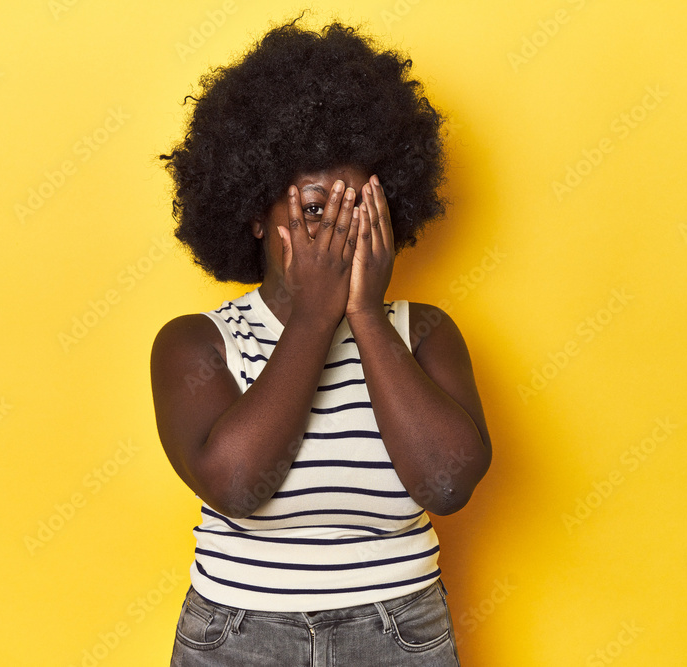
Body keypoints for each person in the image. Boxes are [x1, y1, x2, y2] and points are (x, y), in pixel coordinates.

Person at [151, 15, 491, 666]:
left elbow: (447, 486)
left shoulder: (424, 333)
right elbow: (238, 485)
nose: (340, 229)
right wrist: (312, 317)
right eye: (315, 209)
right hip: (238, 640)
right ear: (257, 214)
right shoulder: (197, 343)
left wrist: (364, 314)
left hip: (401, 636)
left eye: (360, 208)